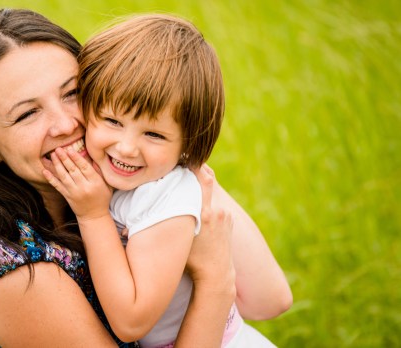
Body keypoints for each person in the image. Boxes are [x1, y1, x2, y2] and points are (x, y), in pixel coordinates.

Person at [0, 8, 239, 347]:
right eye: (28, 114)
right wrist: (215, 281)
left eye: (73, 93)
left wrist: (181, 171)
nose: (65, 124)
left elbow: (272, 298)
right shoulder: (12, 271)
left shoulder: (118, 183)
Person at [43, 14, 292, 347]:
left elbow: (132, 320)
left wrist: (94, 216)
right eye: (113, 120)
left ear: (187, 146)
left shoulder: (166, 196)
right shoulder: (116, 175)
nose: (127, 147)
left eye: (154, 134)